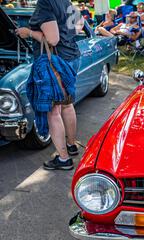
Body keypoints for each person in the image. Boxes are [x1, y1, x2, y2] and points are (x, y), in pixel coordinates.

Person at [15, 0, 80, 170]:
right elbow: (79, 26)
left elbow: (53, 39)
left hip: (57, 62)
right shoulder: (65, 1)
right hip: (72, 56)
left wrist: (28, 32)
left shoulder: (45, 3)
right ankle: (71, 145)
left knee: (53, 111)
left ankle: (64, 159)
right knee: (67, 104)